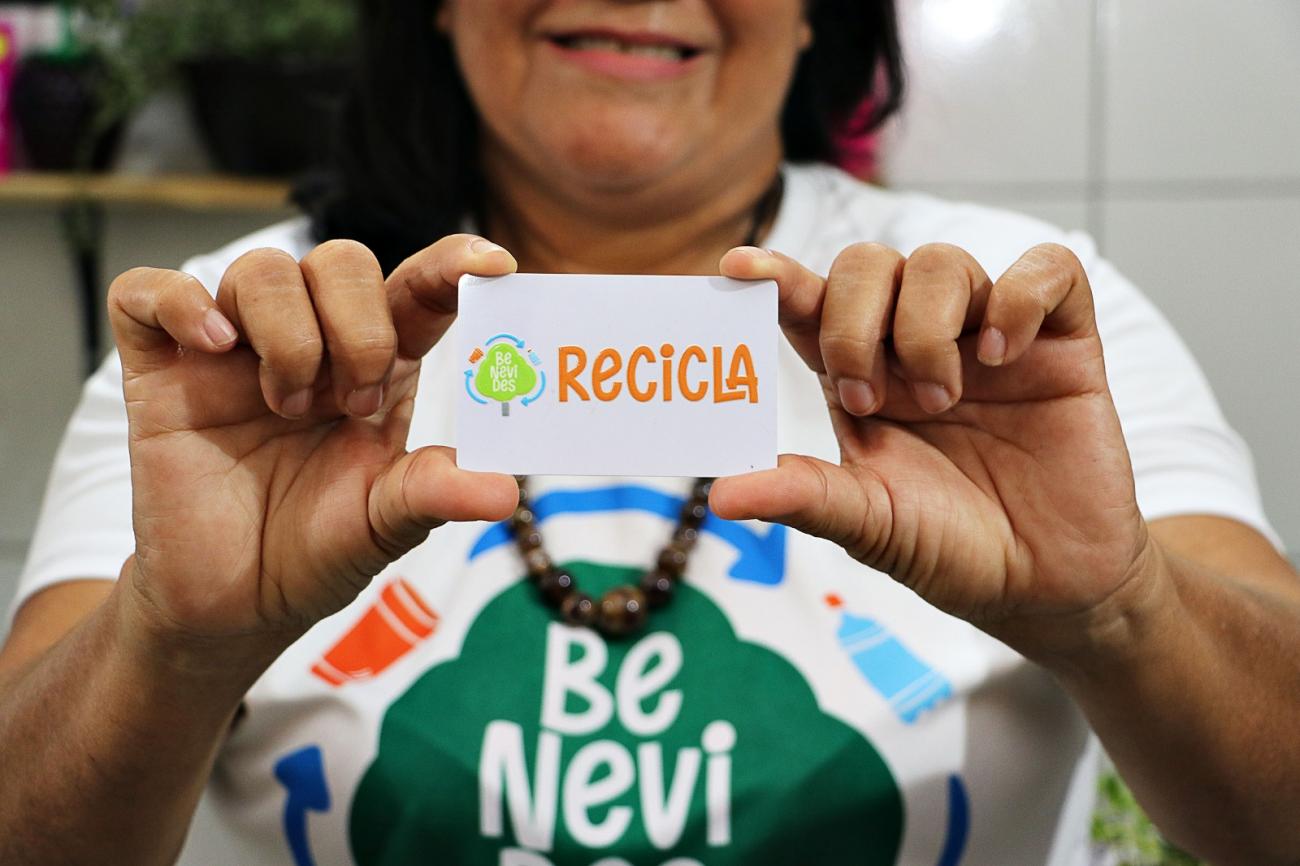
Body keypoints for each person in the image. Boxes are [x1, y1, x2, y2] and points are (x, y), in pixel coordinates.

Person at [1, 1, 1297, 864]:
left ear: (817, 11)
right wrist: (172, 646)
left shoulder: (1016, 323)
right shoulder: (239, 345)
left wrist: (1121, 612)